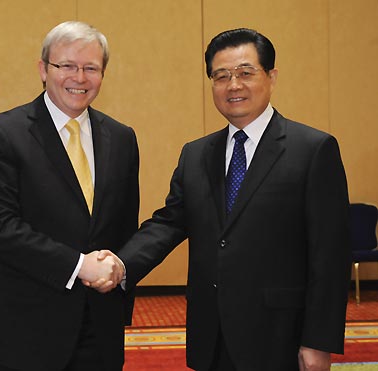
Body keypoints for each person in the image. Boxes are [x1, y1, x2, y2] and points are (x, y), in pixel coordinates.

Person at [91, 28, 351, 371]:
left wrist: (318, 340)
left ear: (271, 77)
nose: (233, 85)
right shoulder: (196, 154)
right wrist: (122, 264)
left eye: (245, 73)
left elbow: (330, 256)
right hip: (211, 334)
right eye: (221, 75)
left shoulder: (313, 150)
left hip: (280, 335)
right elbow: (169, 222)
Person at [0, 21, 139, 371]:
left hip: (100, 326)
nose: (79, 77)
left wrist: (117, 276)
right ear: (43, 69)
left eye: (91, 68)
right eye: (66, 65)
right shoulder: (3, 133)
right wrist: (79, 266)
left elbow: (124, 224)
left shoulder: (122, 138)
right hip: (27, 328)